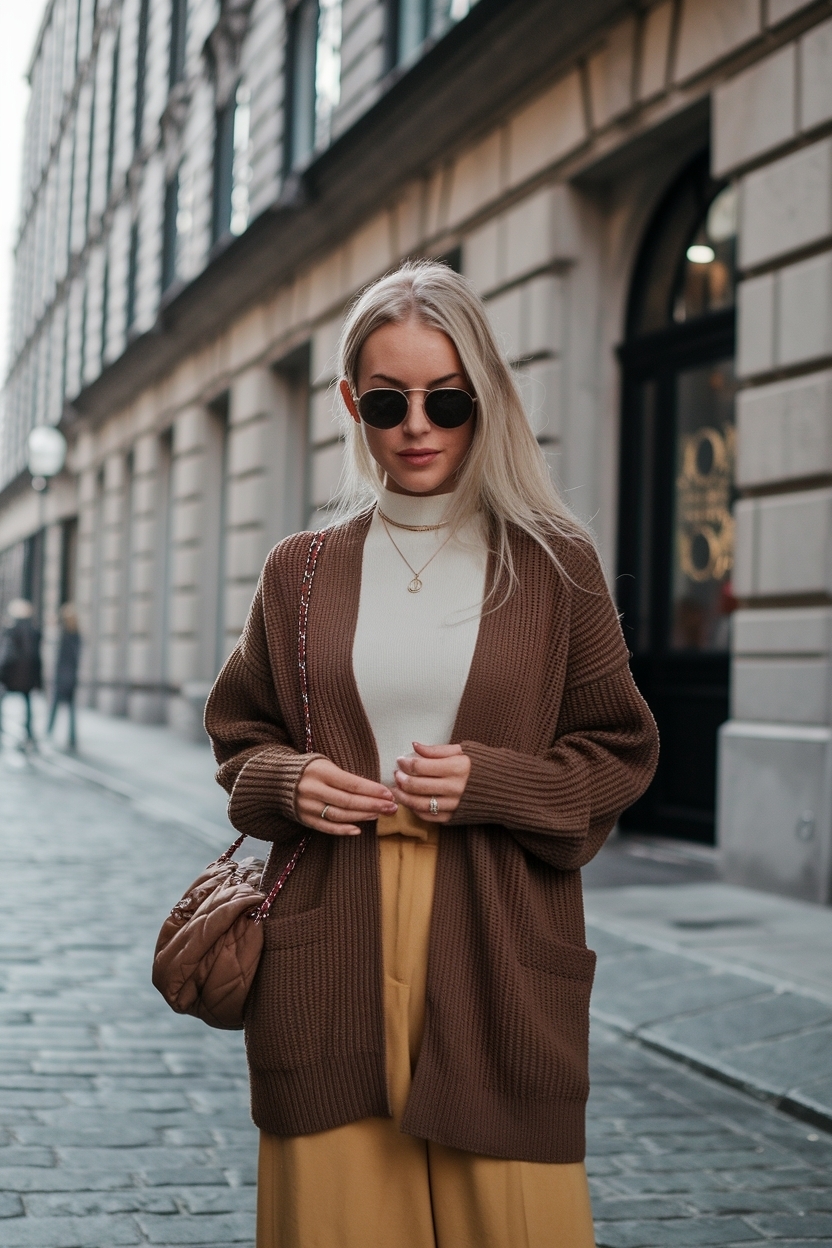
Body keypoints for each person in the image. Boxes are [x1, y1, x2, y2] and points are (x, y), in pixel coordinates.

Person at [204, 260, 659, 1248]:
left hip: (496, 950)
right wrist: (288, 780)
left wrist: (494, 782)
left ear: (483, 399)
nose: (417, 423)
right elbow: (240, 742)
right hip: (328, 953)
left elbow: (620, 750)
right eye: (387, 399)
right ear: (349, 404)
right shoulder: (302, 572)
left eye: (446, 399)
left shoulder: (551, 563)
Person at [0, 598, 42, 748]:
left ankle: (2, 731)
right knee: (28, 705)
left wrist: (2, 673)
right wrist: (38, 680)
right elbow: (37, 657)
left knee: (1, 701)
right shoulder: (34, 631)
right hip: (28, 678)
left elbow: (6, 655)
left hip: (11, 676)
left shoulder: (11, 630)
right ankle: (29, 734)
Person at [47, 603, 81, 750]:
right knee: (71, 709)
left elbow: (60, 659)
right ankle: (72, 737)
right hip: (72, 676)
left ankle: (48, 732)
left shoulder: (64, 636)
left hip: (62, 676)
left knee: (55, 706)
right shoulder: (77, 635)